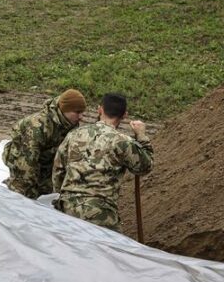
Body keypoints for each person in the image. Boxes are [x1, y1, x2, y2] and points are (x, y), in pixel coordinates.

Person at [52, 92, 153, 232]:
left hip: (67, 210)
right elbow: (145, 167)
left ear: (100, 109)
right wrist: (141, 135)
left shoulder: (74, 134)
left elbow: (58, 170)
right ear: (124, 115)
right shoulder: (123, 142)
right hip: (100, 215)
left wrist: (63, 197)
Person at [2, 89, 86, 199]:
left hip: (46, 162)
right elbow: (27, 164)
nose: (81, 117)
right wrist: (30, 194)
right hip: (24, 161)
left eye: (82, 112)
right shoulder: (37, 126)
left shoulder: (70, 123)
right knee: (22, 195)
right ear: (64, 110)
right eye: (77, 112)